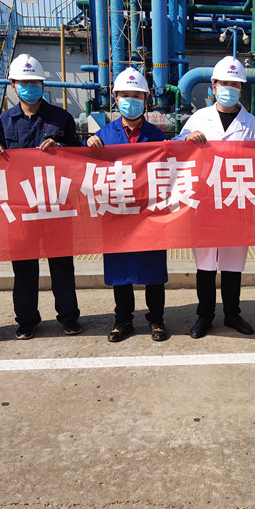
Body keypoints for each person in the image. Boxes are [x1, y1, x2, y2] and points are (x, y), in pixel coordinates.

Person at [0, 54, 81, 339]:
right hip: (21, 208)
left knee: (62, 267)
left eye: (35, 82)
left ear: (42, 85)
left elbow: (79, 157)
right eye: (24, 83)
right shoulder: (4, 121)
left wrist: (62, 147)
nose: (30, 87)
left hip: (56, 205)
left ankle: (69, 317)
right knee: (24, 269)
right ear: (13, 85)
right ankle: (27, 320)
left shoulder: (61, 118)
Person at [174, 56, 255, 339]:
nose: (229, 89)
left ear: (241, 89)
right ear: (213, 86)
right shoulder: (198, 119)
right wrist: (186, 139)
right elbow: (175, 151)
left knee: (232, 264)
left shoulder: (252, 124)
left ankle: (232, 314)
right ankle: (204, 316)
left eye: (235, 85)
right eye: (224, 83)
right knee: (205, 264)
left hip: (237, 201)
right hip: (204, 202)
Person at [87, 68, 169, 342]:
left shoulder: (157, 137)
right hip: (117, 215)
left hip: (149, 214)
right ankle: (123, 320)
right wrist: (87, 144)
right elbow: (85, 168)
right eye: (125, 95)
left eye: (136, 96)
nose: (130, 101)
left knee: (153, 270)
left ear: (145, 99)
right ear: (115, 98)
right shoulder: (103, 136)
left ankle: (156, 319)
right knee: (120, 269)